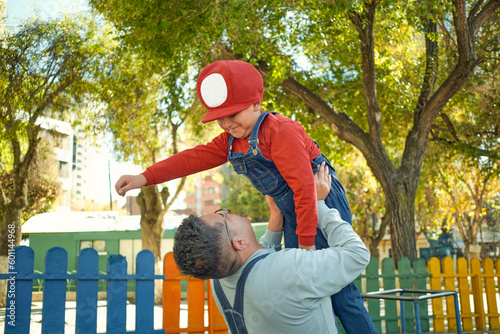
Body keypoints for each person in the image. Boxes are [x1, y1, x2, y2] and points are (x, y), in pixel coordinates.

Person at [115, 60, 376, 333]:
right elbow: (191, 159)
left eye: (233, 114)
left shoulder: (280, 131)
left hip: (316, 196)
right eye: (220, 117)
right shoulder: (230, 141)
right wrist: (143, 178)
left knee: (340, 291)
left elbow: (303, 187)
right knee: (313, 289)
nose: (226, 123)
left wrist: (307, 249)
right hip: (293, 209)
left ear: (256, 105)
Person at [173, 163, 370, 333]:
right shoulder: (289, 269)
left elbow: (255, 263)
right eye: (224, 215)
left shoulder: (219, 281)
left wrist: (276, 216)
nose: (226, 210)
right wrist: (317, 205)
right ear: (239, 242)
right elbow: (357, 254)